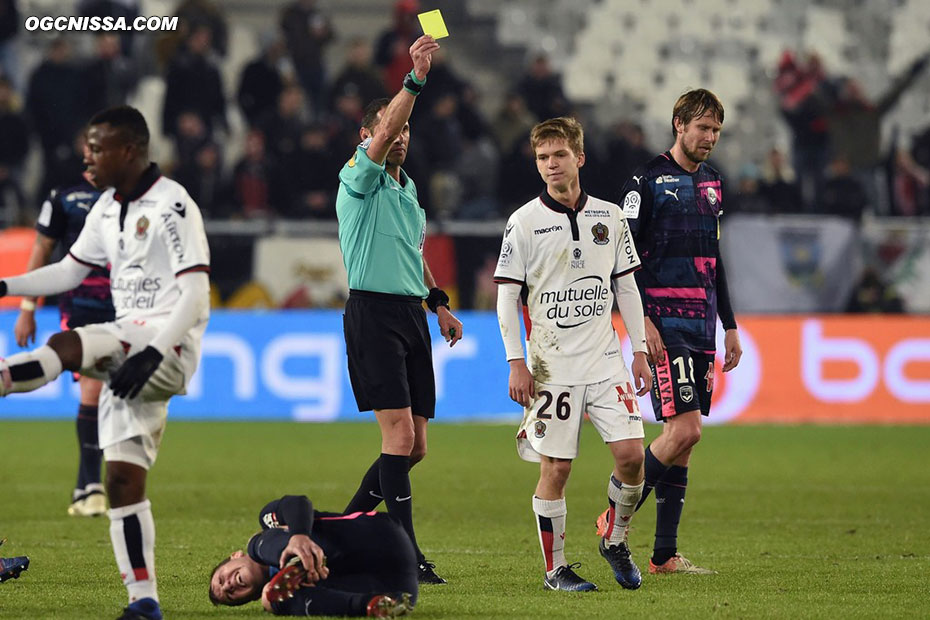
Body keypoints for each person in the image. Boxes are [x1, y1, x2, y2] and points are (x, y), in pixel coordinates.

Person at [0, 105, 211, 620]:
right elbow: (68, 273)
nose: (87, 157)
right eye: (87, 146)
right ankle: (145, 603)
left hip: (167, 344)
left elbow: (197, 292)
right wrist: (7, 287)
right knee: (121, 480)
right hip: (128, 358)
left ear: (131, 151)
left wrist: (159, 349)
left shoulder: (172, 204)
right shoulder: (106, 207)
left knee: (71, 341)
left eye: (98, 148)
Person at [494, 117, 652, 592]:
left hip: (605, 360)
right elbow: (506, 297)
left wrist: (639, 351)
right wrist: (515, 361)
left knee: (631, 457)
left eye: (559, 155)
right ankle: (555, 570)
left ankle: (615, 537)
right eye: (542, 158)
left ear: (579, 158)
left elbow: (626, 286)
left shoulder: (610, 216)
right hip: (550, 365)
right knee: (556, 468)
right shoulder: (523, 222)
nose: (550, 165)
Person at [335, 34, 463, 586]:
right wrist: (414, 79)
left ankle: (344, 526)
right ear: (367, 137)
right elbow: (386, 128)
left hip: (410, 316)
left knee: (416, 447)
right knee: (400, 440)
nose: (401, 136)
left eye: (407, 129)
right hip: (373, 315)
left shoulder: (407, 191)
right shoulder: (357, 179)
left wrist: (438, 303)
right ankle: (405, 553)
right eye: (391, 129)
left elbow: (412, 256)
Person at [612, 88, 742, 575]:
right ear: (678, 124)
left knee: (684, 438)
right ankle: (614, 518)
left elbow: (715, 258)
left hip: (702, 322)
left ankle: (664, 554)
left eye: (716, 130)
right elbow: (623, 260)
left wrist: (729, 324)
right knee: (686, 430)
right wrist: (642, 318)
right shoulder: (644, 181)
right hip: (663, 321)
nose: (709, 137)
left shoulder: (713, 184)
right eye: (702, 127)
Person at [14, 146, 114, 517]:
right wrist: (28, 307)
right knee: (93, 387)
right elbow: (43, 250)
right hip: (82, 307)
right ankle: (93, 487)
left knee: (108, 396)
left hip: (127, 307)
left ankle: (84, 486)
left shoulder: (130, 200)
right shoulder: (63, 199)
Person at [209, 494, 417, 617]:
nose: (228, 585)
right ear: (249, 597)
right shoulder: (278, 593)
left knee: (256, 542)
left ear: (234, 556)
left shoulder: (268, 525)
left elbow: (297, 502)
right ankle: (373, 605)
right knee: (274, 601)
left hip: (377, 536)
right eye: (230, 594)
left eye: (221, 579)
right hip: (395, 586)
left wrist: (298, 535)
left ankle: (296, 556)